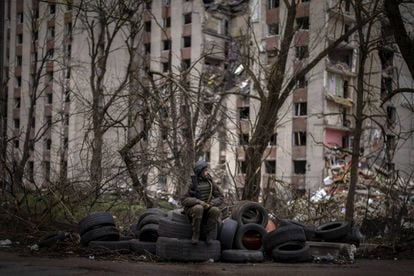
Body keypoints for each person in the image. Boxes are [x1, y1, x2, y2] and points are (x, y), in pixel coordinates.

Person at [182, 160, 224, 244]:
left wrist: (211, 203)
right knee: (198, 208)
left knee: (215, 210)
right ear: (200, 172)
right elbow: (183, 200)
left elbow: (220, 197)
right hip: (193, 209)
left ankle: (208, 234)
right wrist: (198, 201)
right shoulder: (191, 183)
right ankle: (196, 234)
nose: (207, 172)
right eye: (205, 171)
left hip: (207, 207)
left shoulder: (210, 182)